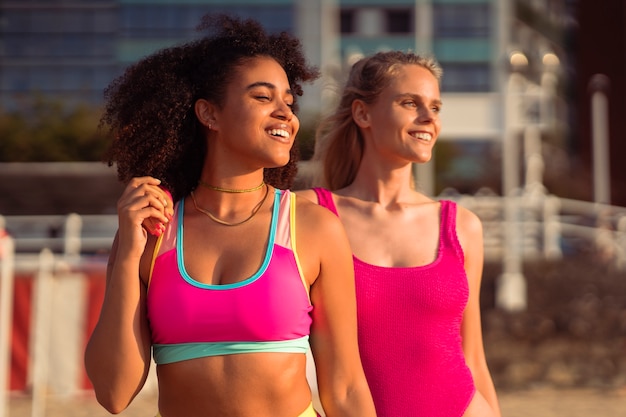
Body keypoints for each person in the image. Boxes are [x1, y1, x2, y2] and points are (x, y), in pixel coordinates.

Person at [84, 14, 376, 417]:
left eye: (289, 102)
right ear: (209, 115)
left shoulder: (312, 226)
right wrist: (128, 253)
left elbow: (345, 387)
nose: (285, 115)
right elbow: (113, 394)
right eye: (262, 97)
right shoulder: (153, 229)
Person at [298, 51, 502, 417]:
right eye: (411, 103)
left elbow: (472, 357)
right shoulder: (308, 214)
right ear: (362, 114)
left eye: (436, 108)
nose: (428, 119)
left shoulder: (461, 226)